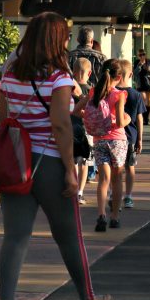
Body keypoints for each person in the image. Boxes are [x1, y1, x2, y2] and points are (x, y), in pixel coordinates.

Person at [0, 11, 112, 300]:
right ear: (55, 39)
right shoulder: (58, 78)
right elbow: (61, 125)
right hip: (48, 161)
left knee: (15, 238)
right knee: (69, 235)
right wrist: (69, 170)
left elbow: (4, 122)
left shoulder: (9, 74)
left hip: (16, 163)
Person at [88, 59, 130, 231]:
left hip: (99, 139)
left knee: (103, 179)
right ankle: (114, 216)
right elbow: (120, 121)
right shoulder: (119, 95)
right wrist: (128, 119)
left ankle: (101, 215)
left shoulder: (93, 92)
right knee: (117, 179)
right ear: (119, 77)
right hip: (117, 140)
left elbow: (77, 111)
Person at [118, 60, 146, 210]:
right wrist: (140, 138)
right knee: (130, 167)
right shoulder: (136, 95)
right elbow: (140, 118)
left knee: (115, 167)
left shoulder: (111, 92)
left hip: (114, 135)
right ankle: (128, 196)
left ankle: (113, 193)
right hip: (130, 137)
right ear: (130, 74)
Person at [71, 57, 93, 204]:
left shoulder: (68, 88)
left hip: (71, 128)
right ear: (89, 73)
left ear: (73, 72)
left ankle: (72, 189)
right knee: (84, 162)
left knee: (72, 161)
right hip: (87, 129)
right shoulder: (92, 91)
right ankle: (80, 192)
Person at [134, 49, 150, 124]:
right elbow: (135, 73)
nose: (142, 56)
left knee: (149, 101)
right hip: (141, 84)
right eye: (140, 55)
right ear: (138, 56)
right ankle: (144, 118)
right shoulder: (137, 62)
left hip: (149, 84)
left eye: (143, 54)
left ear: (145, 54)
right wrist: (140, 65)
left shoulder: (149, 61)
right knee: (143, 100)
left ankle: (146, 118)